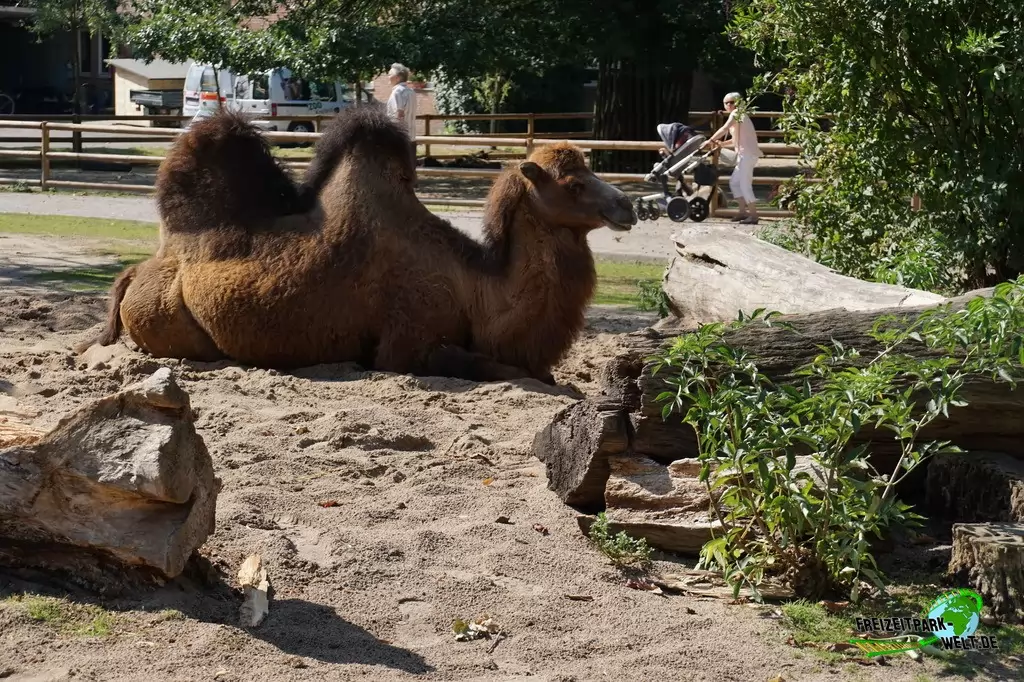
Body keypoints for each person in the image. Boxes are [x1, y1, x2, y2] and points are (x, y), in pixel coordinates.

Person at [703, 92, 763, 225]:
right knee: (734, 183)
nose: (729, 105)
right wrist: (721, 144)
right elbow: (735, 140)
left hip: (747, 155)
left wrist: (710, 140)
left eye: (732, 102)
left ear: (738, 103)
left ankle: (753, 215)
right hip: (744, 155)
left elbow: (724, 129)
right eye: (727, 103)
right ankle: (742, 212)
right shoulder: (738, 116)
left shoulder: (737, 113)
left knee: (744, 185)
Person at [386, 63, 418, 175]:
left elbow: (399, 114)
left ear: (397, 77)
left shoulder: (397, 92)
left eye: (390, 74)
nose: (387, 76)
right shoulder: (412, 92)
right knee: (410, 169)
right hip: (411, 136)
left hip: (399, 137)